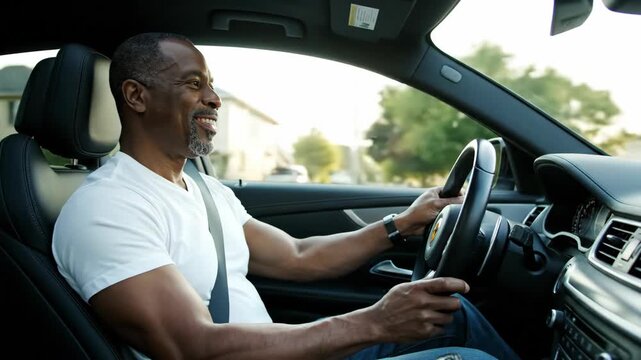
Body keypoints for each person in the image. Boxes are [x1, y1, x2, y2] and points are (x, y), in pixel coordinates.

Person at [52, 32, 519, 360]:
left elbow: (297, 256)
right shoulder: (107, 209)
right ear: (136, 96)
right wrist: (375, 323)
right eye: (195, 84)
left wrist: (403, 224)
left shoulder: (203, 189)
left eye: (211, 84)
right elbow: (190, 346)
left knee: (454, 315)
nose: (215, 98)